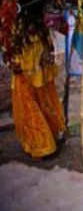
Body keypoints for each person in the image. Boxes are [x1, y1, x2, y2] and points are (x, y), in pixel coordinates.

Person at [5, 9, 66, 159]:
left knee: (43, 100)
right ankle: (41, 145)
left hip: (38, 61)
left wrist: (48, 50)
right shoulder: (11, 12)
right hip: (24, 62)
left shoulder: (38, 10)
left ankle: (47, 140)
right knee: (31, 103)